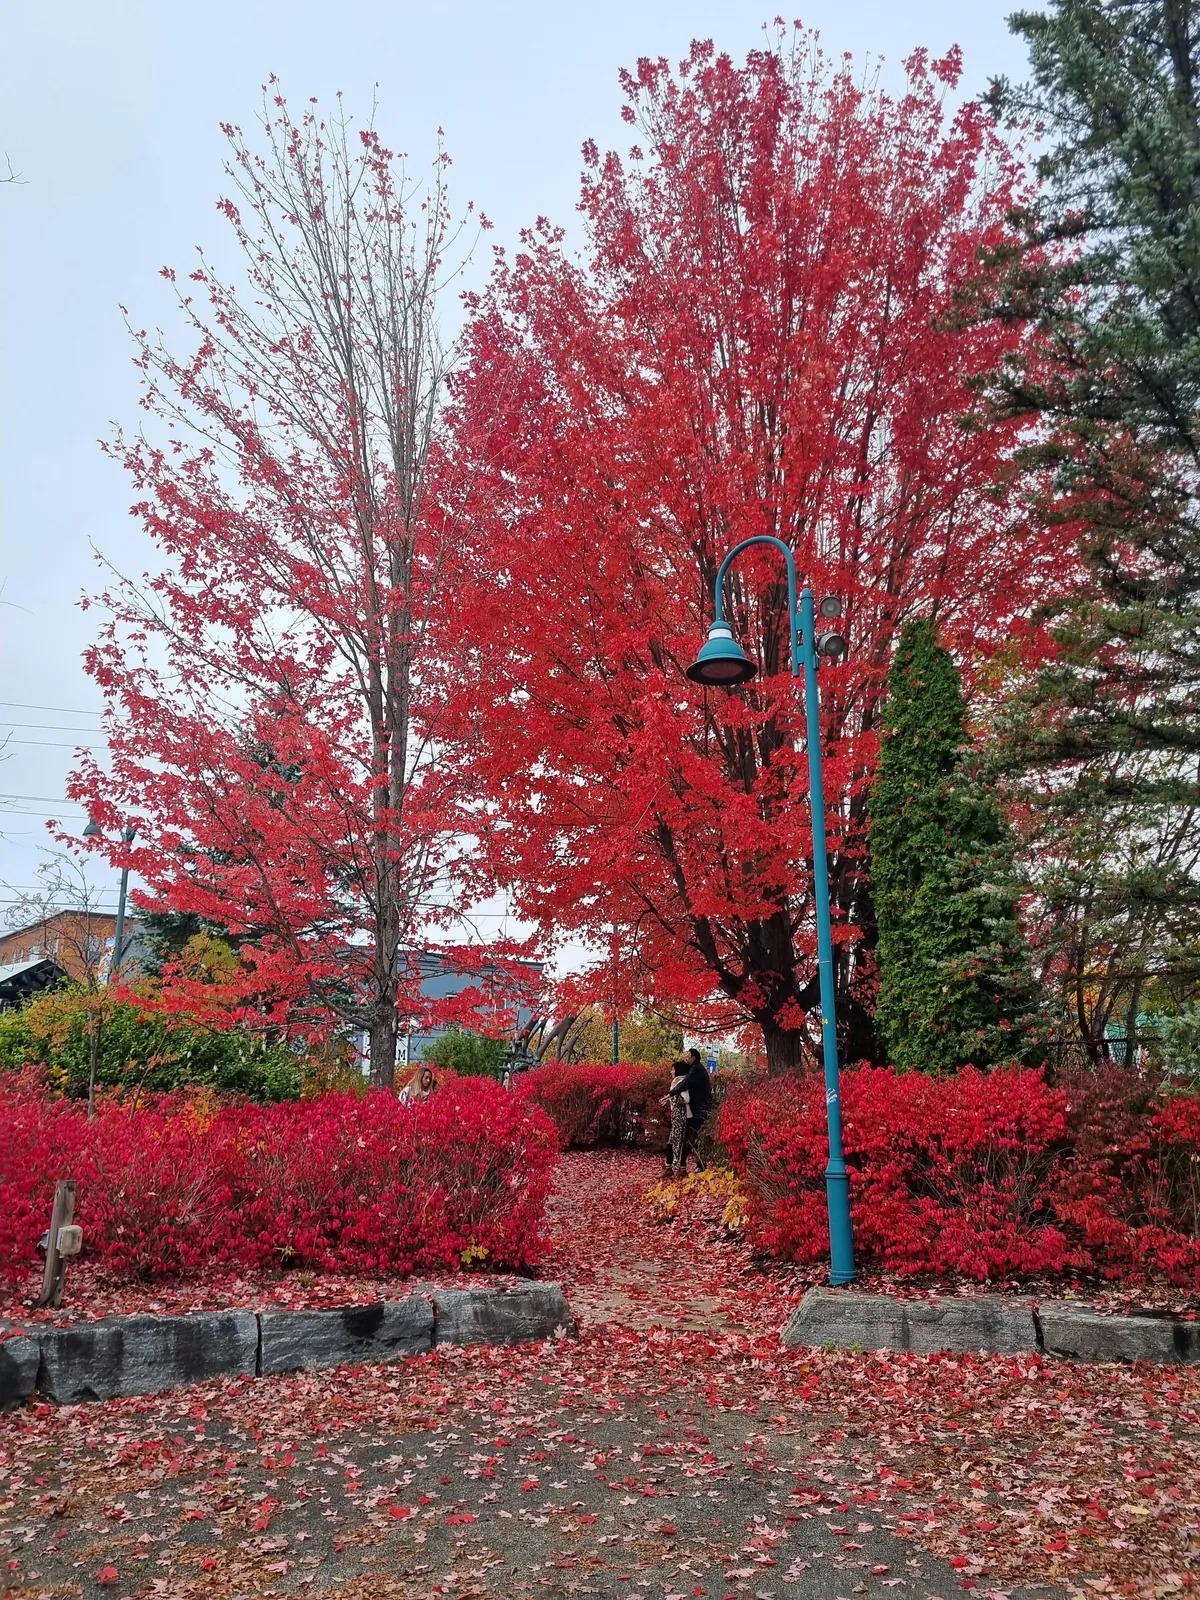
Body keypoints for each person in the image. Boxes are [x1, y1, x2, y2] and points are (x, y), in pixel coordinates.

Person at [679, 1047, 713, 1172]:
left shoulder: (696, 1069)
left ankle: (700, 1165)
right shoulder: (697, 1069)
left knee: (696, 1136)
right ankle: (697, 1164)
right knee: (695, 1136)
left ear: (693, 1058)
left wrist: (671, 1093)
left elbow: (685, 1083)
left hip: (700, 1109)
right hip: (700, 1108)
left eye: (688, 1056)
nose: (686, 1058)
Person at [662, 1059, 691, 1176]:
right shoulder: (683, 1080)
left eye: (673, 1069)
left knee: (675, 1141)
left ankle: (671, 1167)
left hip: (681, 1117)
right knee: (679, 1141)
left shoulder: (679, 1081)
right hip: (682, 1116)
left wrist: (674, 1099)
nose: (671, 1072)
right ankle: (678, 1168)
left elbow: (686, 1098)